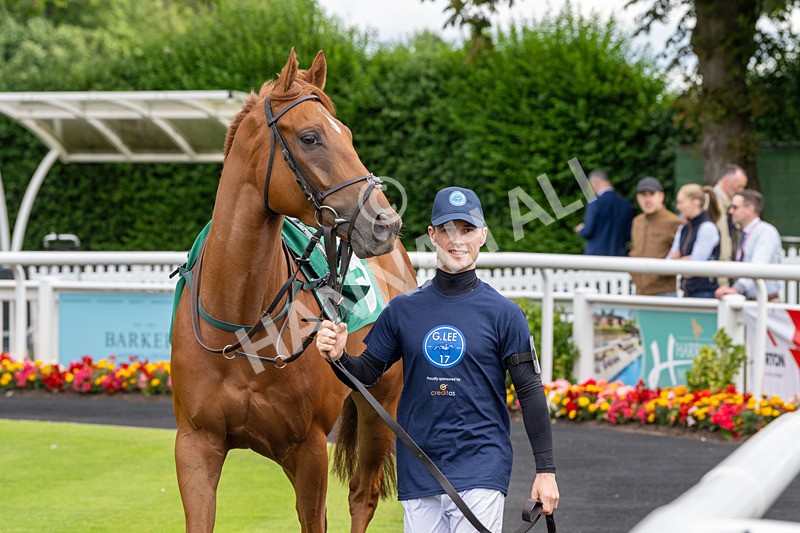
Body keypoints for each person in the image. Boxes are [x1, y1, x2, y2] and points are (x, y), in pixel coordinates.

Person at [316, 186, 558, 533]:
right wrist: (339, 356)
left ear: (483, 236)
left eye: (467, 230)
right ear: (432, 235)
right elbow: (367, 373)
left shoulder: (506, 315)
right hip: (419, 468)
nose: (456, 240)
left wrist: (546, 472)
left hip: (481, 466)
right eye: (447, 229)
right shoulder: (402, 310)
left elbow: (530, 392)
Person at [715, 190, 783, 301]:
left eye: (735, 207)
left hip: (765, 302)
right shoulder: (746, 232)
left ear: (750, 209)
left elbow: (758, 265)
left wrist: (736, 289)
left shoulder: (765, 232)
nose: (730, 211)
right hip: (751, 300)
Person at [629, 177, 683, 296]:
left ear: (661, 196)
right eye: (643, 195)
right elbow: (634, 251)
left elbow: (684, 253)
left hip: (664, 292)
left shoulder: (673, 222)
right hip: (639, 292)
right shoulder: (637, 222)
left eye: (652, 194)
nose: (647, 199)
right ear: (638, 198)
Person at [667, 183, 722, 298]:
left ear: (695, 202)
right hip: (687, 292)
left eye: (681, 202)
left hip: (704, 293)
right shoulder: (683, 228)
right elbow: (669, 261)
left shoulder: (707, 228)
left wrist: (679, 261)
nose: (678, 207)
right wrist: (684, 261)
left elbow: (695, 265)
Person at [574, 169, 634, 256]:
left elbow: (588, 232)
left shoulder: (595, 202)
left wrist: (581, 229)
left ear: (594, 183)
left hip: (596, 256)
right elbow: (628, 234)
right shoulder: (625, 203)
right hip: (619, 256)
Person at [713, 164, 748, 264]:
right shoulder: (709, 202)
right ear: (727, 181)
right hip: (714, 265)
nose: (741, 191)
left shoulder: (729, 204)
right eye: (739, 186)